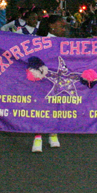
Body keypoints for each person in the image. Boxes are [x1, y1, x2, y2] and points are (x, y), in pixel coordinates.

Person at [30, 15, 69, 152]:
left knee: (56, 106)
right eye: (61, 26)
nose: (64, 29)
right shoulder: (40, 41)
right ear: (52, 26)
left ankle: (53, 134)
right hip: (42, 80)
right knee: (40, 108)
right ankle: (38, 137)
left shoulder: (64, 42)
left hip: (58, 80)